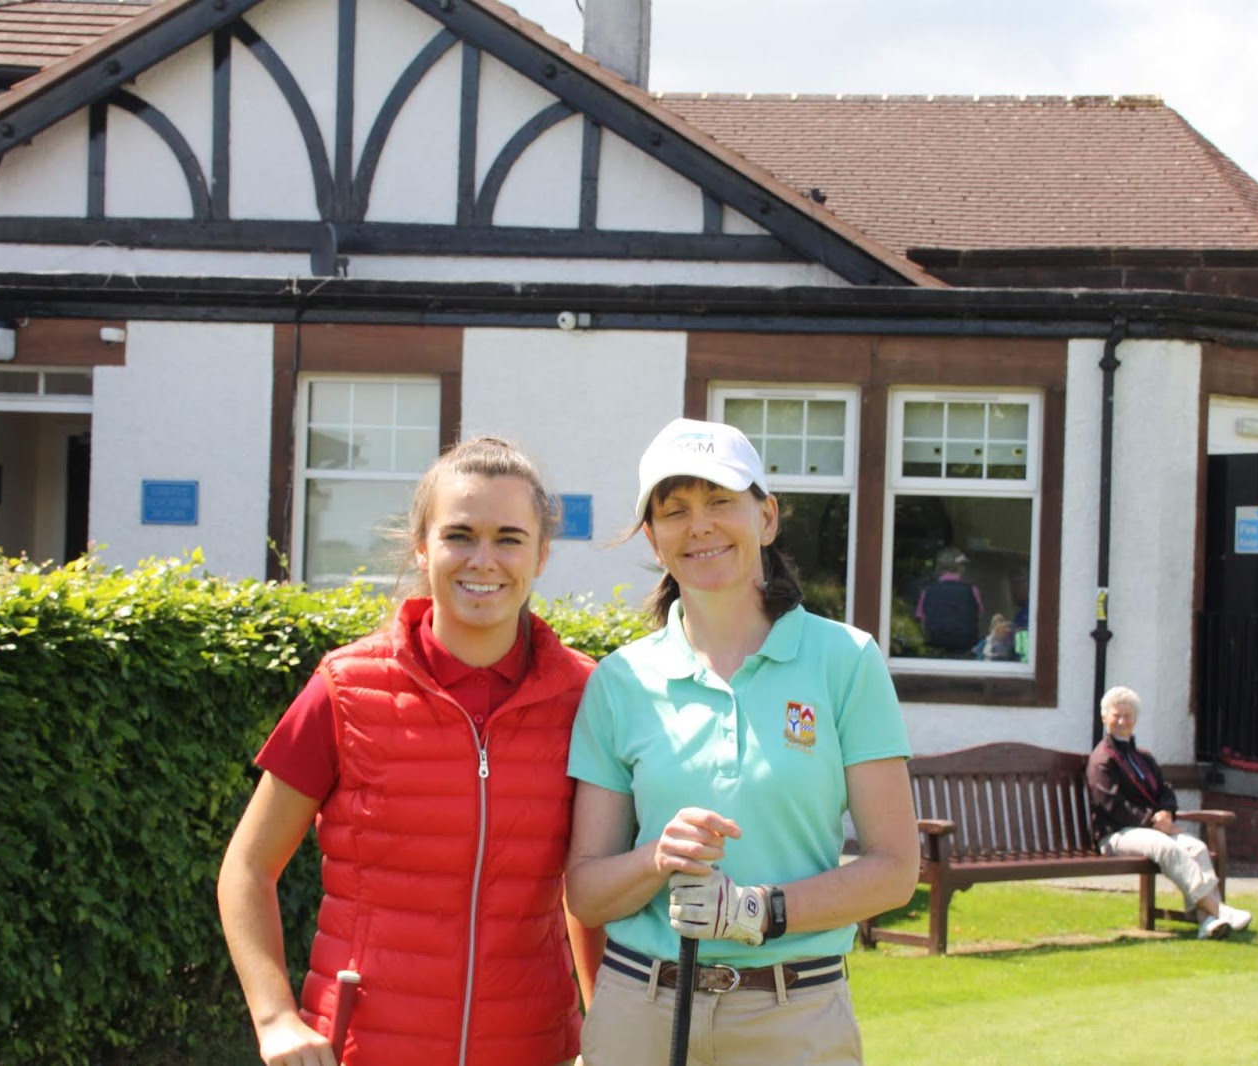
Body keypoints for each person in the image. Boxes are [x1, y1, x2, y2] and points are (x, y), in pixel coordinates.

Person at [217, 437, 604, 1066]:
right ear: (423, 547)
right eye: (460, 535)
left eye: (509, 537)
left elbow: (588, 890)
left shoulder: (586, 696)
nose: (484, 559)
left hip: (531, 1049)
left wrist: (607, 1029)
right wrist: (275, 1017)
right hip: (362, 1050)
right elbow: (247, 869)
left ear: (541, 554)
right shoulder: (345, 688)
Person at [565, 418, 919, 1066]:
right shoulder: (620, 681)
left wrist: (756, 909)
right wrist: (655, 860)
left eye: (721, 501)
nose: (698, 526)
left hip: (793, 1014)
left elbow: (895, 868)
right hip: (641, 1013)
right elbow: (585, 894)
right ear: (653, 536)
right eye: (674, 511)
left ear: (767, 517)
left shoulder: (846, 660)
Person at [1088, 685, 1252, 940]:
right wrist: (1153, 821)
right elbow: (1110, 804)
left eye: (1128, 715)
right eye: (1116, 715)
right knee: (1166, 847)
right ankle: (1219, 910)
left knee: (1196, 847)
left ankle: (1207, 922)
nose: (1122, 721)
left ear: (1135, 719)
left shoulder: (1143, 757)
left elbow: (1164, 790)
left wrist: (1166, 812)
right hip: (1115, 835)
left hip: (1151, 829)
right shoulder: (1101, 760)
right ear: (1104, 717)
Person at [915, 546, 982, 655]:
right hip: (966, 646)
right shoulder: (972, 590)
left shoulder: (927, 591)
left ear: (939, 567)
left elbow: (922, 621)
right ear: (961, 568)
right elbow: (977, 615)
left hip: (935, 645)